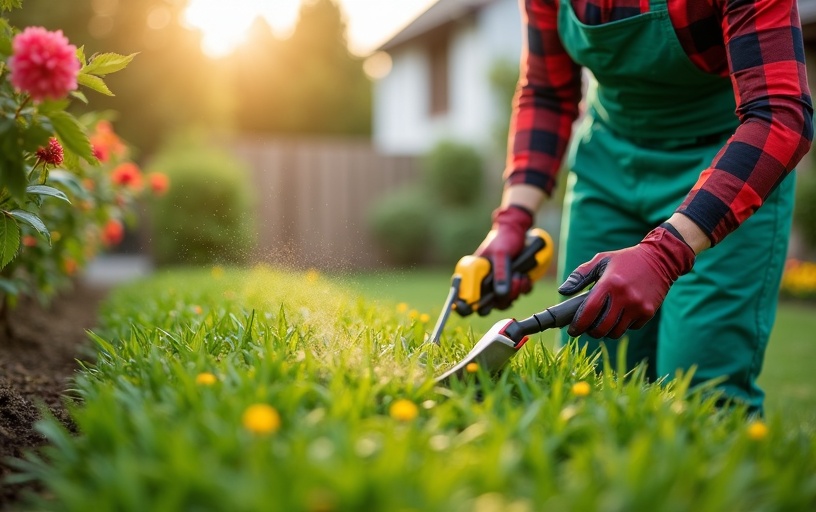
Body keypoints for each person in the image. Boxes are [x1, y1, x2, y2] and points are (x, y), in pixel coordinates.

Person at [473, 0, 813, 413]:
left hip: (725, 173)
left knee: (703, 395)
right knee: (589, 379)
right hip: (609, 168)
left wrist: (666, 252)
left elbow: (779, 115)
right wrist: (512, 220)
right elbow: (546, 92)